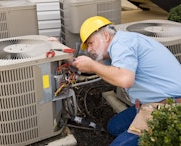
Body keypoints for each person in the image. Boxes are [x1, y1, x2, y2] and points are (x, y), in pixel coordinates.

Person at [72, 16, 181, 146]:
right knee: (114, 127)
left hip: (169, 104)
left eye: (91, 43)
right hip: (152, 101)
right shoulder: (121, 42)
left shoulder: (122, 44)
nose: (89, 49)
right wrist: (71, 61)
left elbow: (125, 80)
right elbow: (102, 68)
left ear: (106, 36)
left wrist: (92, 66)